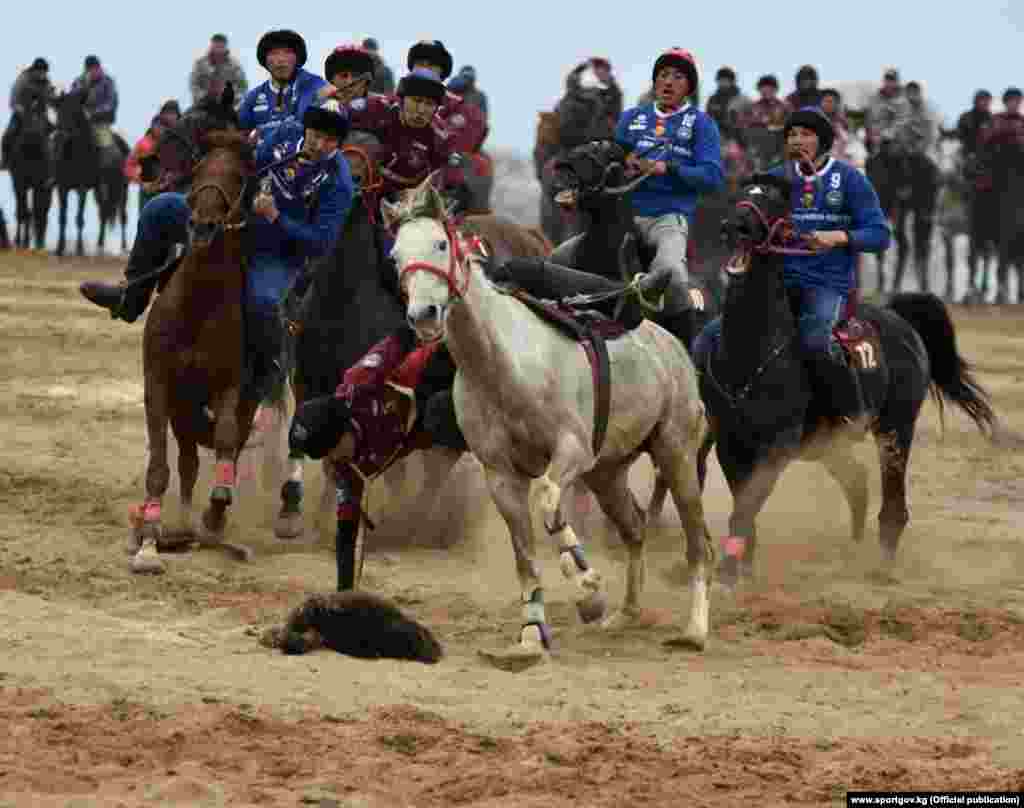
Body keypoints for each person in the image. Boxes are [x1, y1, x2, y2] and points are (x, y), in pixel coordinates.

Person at [79, 101, 355, 398]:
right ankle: (130, 298)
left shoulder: (339, 183)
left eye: (329, 141)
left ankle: (266, 375)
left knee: (262, 303)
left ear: (339, 143)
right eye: (315, 136)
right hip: (233, 220)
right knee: (159, 209)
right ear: (306, 129)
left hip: (277, 253)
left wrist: (277, 218)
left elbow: (320, 243)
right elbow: (243, 162)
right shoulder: (282, 135)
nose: (319, 145)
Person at [694, 108, 891, 433]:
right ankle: (703, 414)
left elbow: (880, 235)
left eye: (806, 135)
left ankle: (848, 415)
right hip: (776, 284)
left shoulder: (851, 179)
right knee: (707, 337)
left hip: (828, 284)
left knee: (815, 341)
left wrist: (838, 237)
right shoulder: (774, 179)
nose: (797, 141)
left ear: (823, 141)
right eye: (792, 135)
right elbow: (750, 221)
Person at [606, 48, 724, 321]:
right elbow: (611, 157)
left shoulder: (702, 124)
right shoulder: (632, 117)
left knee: (670, 272)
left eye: (678, 77)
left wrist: (666, 169)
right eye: (663, 75)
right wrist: (624, 159)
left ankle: (684, 343)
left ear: (689, 87)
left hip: (668, 218)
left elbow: (712, 177)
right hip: (623, 216)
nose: (668, 82)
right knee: (562, 255)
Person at [238, 29, 326, 146]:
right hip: (263, 162)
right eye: (274, 53)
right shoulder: (252, 98)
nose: (281, 59)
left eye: (288, 52)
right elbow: (240, 135)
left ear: (298, 58)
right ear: (264, 60)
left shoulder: (315, 86)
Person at [123, 100, 181, 213]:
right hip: (148, 193)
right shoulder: (143, 143)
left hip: (171, 192)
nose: (159, 128)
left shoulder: (175, 143)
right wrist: (141, 179)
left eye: (173, 113)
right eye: (156, 125)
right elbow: (129, 166)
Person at [2, 57, 55, 170]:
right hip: (22, 114)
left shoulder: (46, 81)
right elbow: (13, 100)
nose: (42, 75)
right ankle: (5, 160)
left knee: (55, 133)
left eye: (44, 72)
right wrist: (21, 110)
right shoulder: (22, 79)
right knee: (8, 135)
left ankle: (53, 166)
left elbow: (51, 97)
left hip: (40, 115)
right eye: (40, 72)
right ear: (34, 70)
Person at [738, 74, 789, 168]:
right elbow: (745, 127)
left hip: (779, 148)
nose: (766, 90)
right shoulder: (753, 107)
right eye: (763, 88)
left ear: (775, 89)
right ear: (759, 89)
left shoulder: (784, 107)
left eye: (770, 88)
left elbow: (791, 126)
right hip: (758, 150)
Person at [70, 55, 119, 148]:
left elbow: (110, 103)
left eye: (95, 68)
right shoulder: (79, 81)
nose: (92, 71)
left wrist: (94, 113)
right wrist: (83, 87)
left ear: (99, 68)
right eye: (89, 69)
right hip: (79, 121)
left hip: (100, 121)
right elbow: (72, 99)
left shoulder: (107, 82)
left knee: (105, 144)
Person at [189, 33, 248, 107]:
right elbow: (193, 84)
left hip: (228, 105)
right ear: (211, 46)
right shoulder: (200, 64)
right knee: (188, 117)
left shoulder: (235, 66)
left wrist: (232, 97)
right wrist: (203, 96)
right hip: (203, 105)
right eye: (216, 46)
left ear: (225, 47)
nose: (218, 50)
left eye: (221, 47)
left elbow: (243, 86)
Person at [865, 68, 910, 156]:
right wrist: (870, 134)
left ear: (897, 82)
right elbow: (869, 117)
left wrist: (883, 135)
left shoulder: (903, 100)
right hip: (873, 140)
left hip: (894, 142)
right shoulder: (874, 98)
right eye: (887, 80)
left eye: (892, 80)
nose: (889, 83)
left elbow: (902, 122)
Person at [705, 66, 747, 142]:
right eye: (721, 80)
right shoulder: (712, 100)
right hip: (717, 136)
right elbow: (708, 119)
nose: (723, 83)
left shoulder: (743, 100)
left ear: (732, 81)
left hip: (739, 137)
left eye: (726, 80)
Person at [954, 90, 993, 164]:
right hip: (966, 154)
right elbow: (959, 136)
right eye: (982, 100)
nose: (985, 103)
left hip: (987, 157)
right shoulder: (965, 117)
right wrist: (968, 152)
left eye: (987, 101)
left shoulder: (992, 119)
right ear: (976, 101)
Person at [820, 88, 851, 160]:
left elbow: (848, 144)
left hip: (841, 160)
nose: (827, 104)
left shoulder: (843, 123)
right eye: (825, 101)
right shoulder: (814, 121)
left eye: (830, 101)